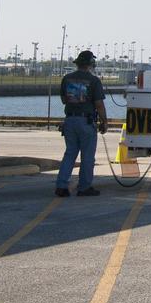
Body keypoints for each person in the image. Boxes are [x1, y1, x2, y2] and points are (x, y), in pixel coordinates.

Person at [55, 50, 107, 197]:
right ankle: (84, 187)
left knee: (70, 153)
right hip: (86, 121)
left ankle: (61, 185)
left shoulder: (67, 78)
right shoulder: (94, 81)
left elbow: (64, 100)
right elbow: (99, 104)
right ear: (91, 64)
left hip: (70, 120)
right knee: (88, 156)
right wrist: (104, 122)